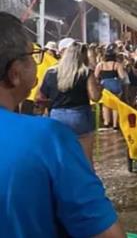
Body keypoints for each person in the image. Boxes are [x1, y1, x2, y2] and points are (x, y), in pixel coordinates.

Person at [0, 13, 124, 237]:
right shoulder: (46, 140)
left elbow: (41, 97)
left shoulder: (52, 76)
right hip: (79, 119)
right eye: (32, 55)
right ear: (15, 73)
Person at [38, 41, 103, 164]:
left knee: (60, 157)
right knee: (85, 159)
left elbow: (39, 97)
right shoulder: (85, 72)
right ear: (83, 57)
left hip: (57, 116)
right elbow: (94, 97)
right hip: (80, 116)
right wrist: (100, 90)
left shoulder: (51, 72)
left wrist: (51, 104)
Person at [95, 46, 126, 129]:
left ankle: (106, 122)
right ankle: (115, 125)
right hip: (115, 85)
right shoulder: (117, 65)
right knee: (115, 105)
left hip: (104, 86)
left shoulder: (100, 65)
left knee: (106, 105)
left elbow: (95, 76)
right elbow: (122, 77)